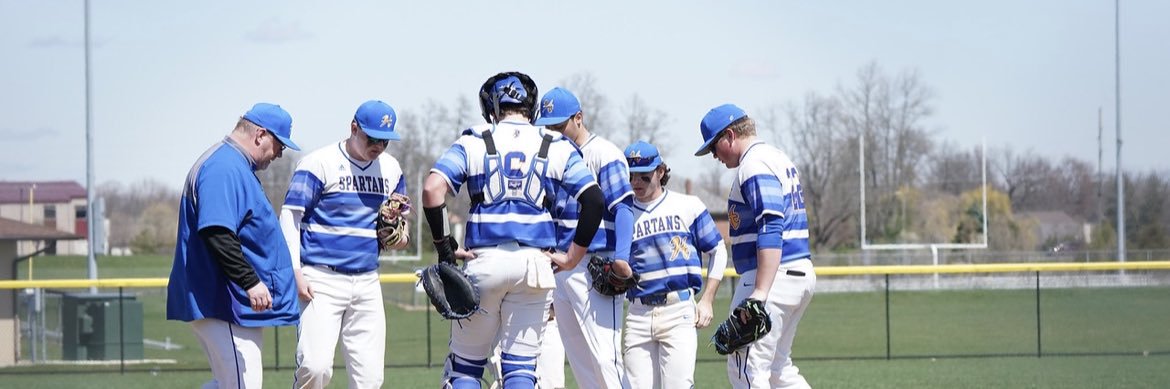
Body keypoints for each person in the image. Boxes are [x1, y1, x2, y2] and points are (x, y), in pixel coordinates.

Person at [422, 71, 605, 389]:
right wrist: (573, 257)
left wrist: (444, 246)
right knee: (520, 370)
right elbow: (594, 200)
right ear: (530, 108)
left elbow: (432, 190)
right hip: (534, 266)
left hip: (485, 261)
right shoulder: (556, 144)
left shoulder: (474, 141)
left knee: (466, 369)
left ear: (493, 109)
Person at [167, 102, 302, 389]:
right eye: (279, 144)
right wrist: (250, 280)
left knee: (231, 383)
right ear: (260, 135)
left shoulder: (233, 164)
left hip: (230, 302)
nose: (280, 153)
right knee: (243, 384)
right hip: (222, 300)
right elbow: (217, 230)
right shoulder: (224, 167)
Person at [280, 100, 409, 389]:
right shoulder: (319, 162)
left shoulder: (391, 168)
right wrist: (295, 271)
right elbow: (290, 217)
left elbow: (401, 225)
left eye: (385, 140)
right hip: (321, 278)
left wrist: (399, 236)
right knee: (315, 367)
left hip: (366, 280)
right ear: (353, 128)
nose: (378, 146)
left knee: (370, 378)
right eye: (372, 137)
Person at [694, 104, 816, 389]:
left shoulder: (755, 163)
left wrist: (760, 292)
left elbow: (771, 225)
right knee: (776, 368)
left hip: (772, 277)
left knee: (745, 367)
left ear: (729, 135)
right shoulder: (776, 157)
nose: (715, 156)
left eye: (714, 148)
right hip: (795, 271)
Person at [534, 87, 635, 389]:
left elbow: (624, 209)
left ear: (579, 118)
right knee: (581, 362)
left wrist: (622, 258)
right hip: (561, 268)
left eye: (559, 125)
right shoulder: (550, 157)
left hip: (595, 265)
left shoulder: (603, 153)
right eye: (547, 127)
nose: (553, 132)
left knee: (606, 359)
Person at [620, 140, 727, 388]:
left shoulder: (688, 205)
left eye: (644, 176)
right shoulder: (623, 213)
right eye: (632, 175)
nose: (637, 182)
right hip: (638, 312)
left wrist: (708, 299)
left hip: (678, 310)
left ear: (660, 171)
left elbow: (718, 250)